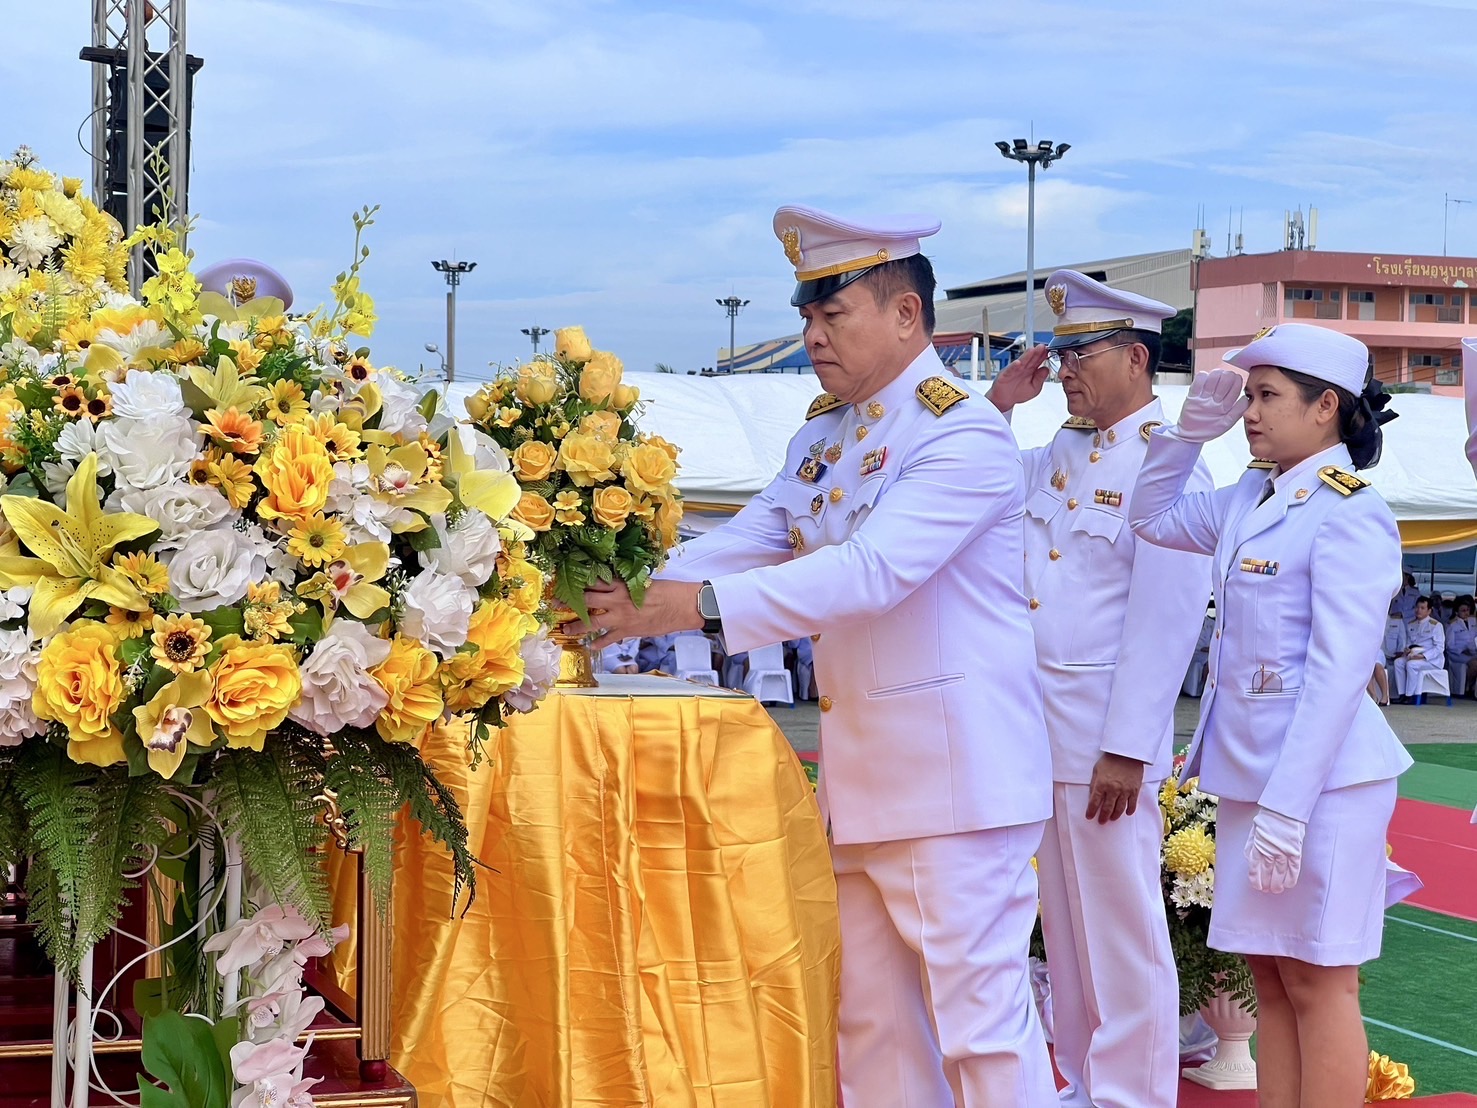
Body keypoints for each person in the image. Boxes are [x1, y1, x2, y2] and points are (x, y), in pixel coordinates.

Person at [579, 205, 1058, 1105]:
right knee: (871, 1029)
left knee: (981, 1033)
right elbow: (749, 539)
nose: (811, 335)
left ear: (906, 316)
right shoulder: (825, 436)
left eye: (832, 316)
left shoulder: (960, 434)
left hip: (956, 789)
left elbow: (872, 572)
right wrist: (614, 599)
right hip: (866, 786)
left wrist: (692, 609)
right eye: (808, 316)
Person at [1127, 322, 1415, 1108]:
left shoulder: (1348, 511)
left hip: (1322, 785)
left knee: (1321, 980)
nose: (1249, 413)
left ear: (1325, 407)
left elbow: (1336, 673)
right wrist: (1186, 436)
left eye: (1265, 396)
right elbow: (1148, 517)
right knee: (1270, 977)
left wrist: (1289, 807)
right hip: (1252, 778)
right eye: (1247, 396)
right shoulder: (1249, 495)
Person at [987, 270, 1211, 1108]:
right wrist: (999, 406)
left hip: (1104, 740)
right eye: (1059, 352)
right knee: (1066, 933)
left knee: (1122, 933)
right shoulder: (1057, 452)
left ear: (1134, 358)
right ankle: (1082, 1083)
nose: (1065, 368)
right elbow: (969, 492)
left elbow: (1164, 621)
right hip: (1034, 731)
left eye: (1079, 353)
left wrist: (1126, 746)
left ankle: (1135, 1095)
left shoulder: (1169, 464)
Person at [1392, 596, 1445, 704]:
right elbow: (1409, 643)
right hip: (1414, 656)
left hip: (1432, 660)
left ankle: (1411, 696)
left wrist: (1423, 656)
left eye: (1422, 608)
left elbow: (1439, 648)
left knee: (1412, 665)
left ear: (1429, 610)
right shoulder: (1411, 624)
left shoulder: (1436, 625)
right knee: (1398, 662)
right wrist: (1406, 650)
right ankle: (1402, 694)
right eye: (1417, 607)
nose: (1418, 610)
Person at [1445, 597, 1477, 696]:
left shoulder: (1473, 621)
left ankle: (1471, 686)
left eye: (1467, 610)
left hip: (1472, 651)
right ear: (1456, 611)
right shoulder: (1452, 624)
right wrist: (1462, 650)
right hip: (1458, 654)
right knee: (1475, 664)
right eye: (1463, 610)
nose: (1466, 613)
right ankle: (1468, 686)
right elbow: (1449, 645)